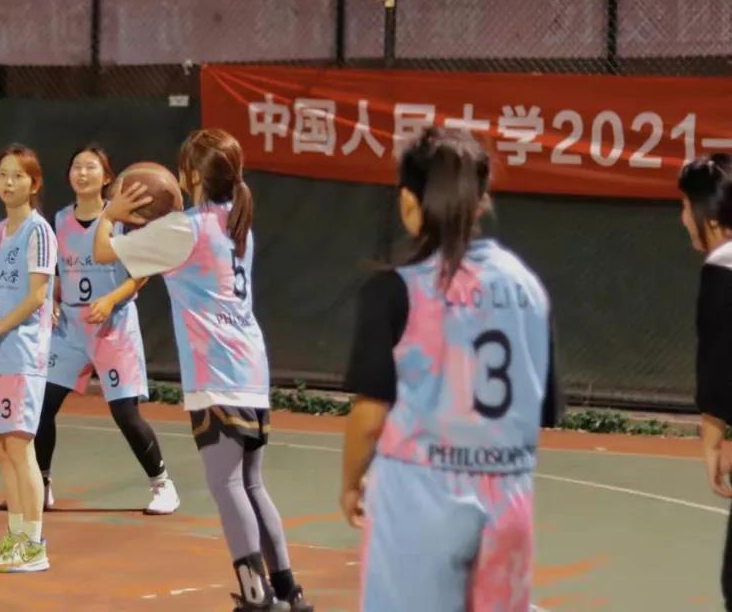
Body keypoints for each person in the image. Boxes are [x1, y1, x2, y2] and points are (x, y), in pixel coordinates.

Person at [339, 127, 561, 611]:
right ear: (481, 201)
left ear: (408, 202)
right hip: (509, 502)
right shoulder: (527, 287)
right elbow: (539, 406)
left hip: (420, 501)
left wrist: (351, 481)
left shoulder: (396, 289)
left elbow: (370, 416)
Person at [94, 128, 314, 612]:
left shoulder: (185, 229)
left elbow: (103, 252)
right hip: (251, 369)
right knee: (252, 484)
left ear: (191, 175)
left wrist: (110, 216)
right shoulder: (236, 225)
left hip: (215, 372)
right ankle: (288, 591)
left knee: (227, 485)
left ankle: (256, 597)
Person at [35, 143, 179, 515]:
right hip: (71, 327)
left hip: (114, 326)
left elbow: (141, 274)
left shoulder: (122, 219)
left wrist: (111, 300)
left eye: (91, 167)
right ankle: (41, 484)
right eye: (76, 166)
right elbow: (58, 273)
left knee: (125, 414)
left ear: (108, 178)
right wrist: (53, 299)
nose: (82, 173)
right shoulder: (59, 220)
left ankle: (163, 484)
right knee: (41, 407)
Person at [0, 144, 58, 574]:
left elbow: (38, 296)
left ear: (34, 184)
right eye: (3, 174)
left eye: (18, 175)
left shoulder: (38, 232)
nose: (9, 182)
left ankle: (34, 545)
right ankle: (16, 535)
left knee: (20, 446)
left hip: (21, 353)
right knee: (1, 447)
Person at [676, 154, 732, 610]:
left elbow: (719, 358)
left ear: (710, 216)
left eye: (684, 207)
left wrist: (711, 441)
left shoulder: (722, 270)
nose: (682, 219)